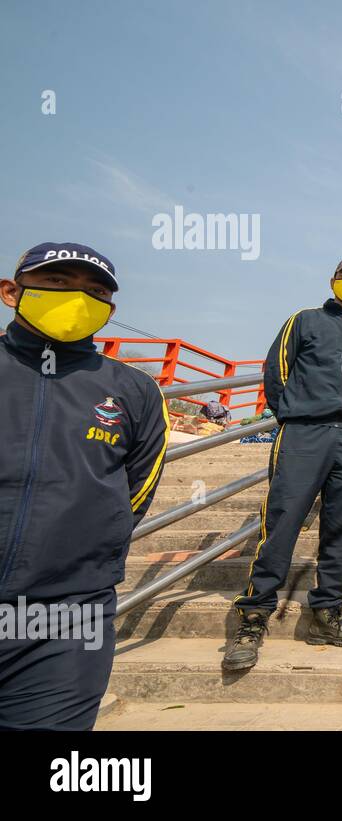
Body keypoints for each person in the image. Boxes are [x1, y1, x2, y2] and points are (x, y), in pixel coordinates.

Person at [0, 242, 169, 730]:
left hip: (67, 617)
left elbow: (134, 492)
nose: (76, 297)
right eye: (57, 283)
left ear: (109, 310)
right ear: (13, 292)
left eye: (93, 291)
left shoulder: (134, 390)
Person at [222, 256, 342, 672]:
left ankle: (328, 612)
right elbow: (276, 371)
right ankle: (254, 616)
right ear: (332, 280)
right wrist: (292, 414)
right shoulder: (305, 320)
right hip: (303, 432)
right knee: (283, 519)